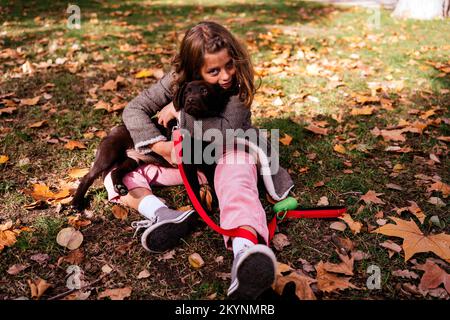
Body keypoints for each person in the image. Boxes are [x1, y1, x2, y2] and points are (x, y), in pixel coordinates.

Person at [103, 21, 294, 299]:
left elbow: (228, 131)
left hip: (228, 152)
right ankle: (162, 213)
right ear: (194, 71)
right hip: (190, 161)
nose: (225, 75)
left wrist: (179, 109)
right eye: (213, 71)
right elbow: (134, 109)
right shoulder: (176, 81)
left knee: (237, 177)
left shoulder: (236, 88)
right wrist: (159, 145)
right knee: (118, 175)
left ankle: (245, 250)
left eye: (229, 65)